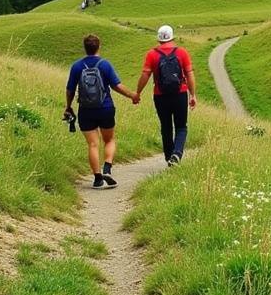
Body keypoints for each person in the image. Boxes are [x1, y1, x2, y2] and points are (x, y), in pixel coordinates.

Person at [65, 34, 139, 188]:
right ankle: (107, 167)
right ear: (99, 47)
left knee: (93, 144)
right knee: (109, 140)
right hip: (105, 108)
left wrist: (68, 106)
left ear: (85, 48)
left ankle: (97, 178)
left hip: (85, 110)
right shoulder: (105, 65)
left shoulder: (77, 66)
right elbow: (117, 86)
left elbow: (70, 90)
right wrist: (132, 95)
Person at [136, 25, 197, 166]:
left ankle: (169, 156)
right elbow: (189, 74)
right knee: (181, 127)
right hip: (180, 94)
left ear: (159, 39)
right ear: (172, 37)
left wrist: (138, 93)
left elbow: (145, 75)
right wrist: (192, 94)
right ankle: (176, 154)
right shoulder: (182, 53)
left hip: (160, 95)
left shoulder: (152, 54)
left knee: (166, 126)